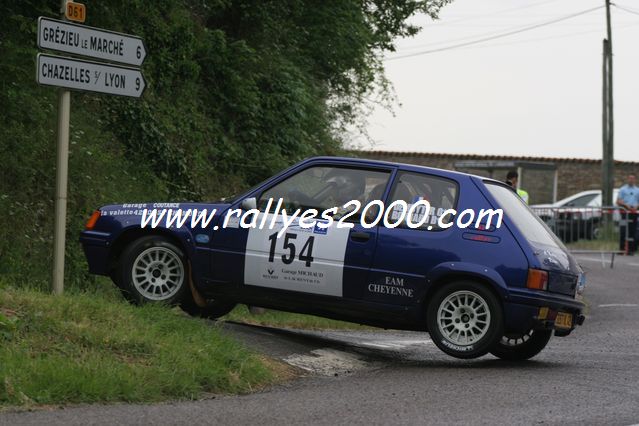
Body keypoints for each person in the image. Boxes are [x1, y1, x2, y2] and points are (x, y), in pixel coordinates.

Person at [616, 173, 639, 254]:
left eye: (633, 178)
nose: (631, 180)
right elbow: (618, 201)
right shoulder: (623, 189)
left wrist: (636, 206)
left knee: (632, 231)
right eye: (630, 178)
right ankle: (622, 249)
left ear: (635, 180)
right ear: (627, 179)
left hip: (634, 213)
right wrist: (625, 205)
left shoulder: (637, 190)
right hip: (624, 212)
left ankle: (631, 250)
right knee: (623, 230)